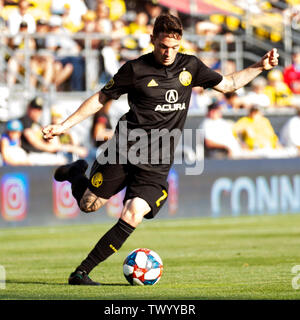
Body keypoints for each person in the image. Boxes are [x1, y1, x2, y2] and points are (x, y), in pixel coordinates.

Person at [42, 14, 279, 285]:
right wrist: (64, 125)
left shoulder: (191, 66)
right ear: (152, 40)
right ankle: (76, 173)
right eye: (163, 46)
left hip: (156, 163)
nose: (168, 53)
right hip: (123, 151)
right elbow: (100, 98)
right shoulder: (135, 69)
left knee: (133, 213)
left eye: (174, 47)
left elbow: (229, 84)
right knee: (88, 205)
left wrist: (260, 66)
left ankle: (81, 273)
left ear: (180, 44)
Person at [19, 97, 66, 165]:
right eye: (34, 109)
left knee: (62, 159)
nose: (37, 112)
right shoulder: (24, 120)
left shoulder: (37, 124)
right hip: (30, 154)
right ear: (29, 108)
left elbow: (50, 139)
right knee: (60, 161)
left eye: (39, 109)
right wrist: (50, 148)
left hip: (41, 154)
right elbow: (34, 141)